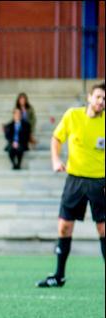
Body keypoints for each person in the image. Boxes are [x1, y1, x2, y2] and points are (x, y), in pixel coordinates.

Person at [37, 82, 105, 288]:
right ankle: (59, 276)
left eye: (105, 99)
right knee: (64, 227)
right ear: (89, 97)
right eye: (99, 97)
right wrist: (56, 160)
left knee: (103, 229)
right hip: (74, 180)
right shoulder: (72, 116)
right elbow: (56, 139)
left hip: (100, 182)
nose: (102, 102)